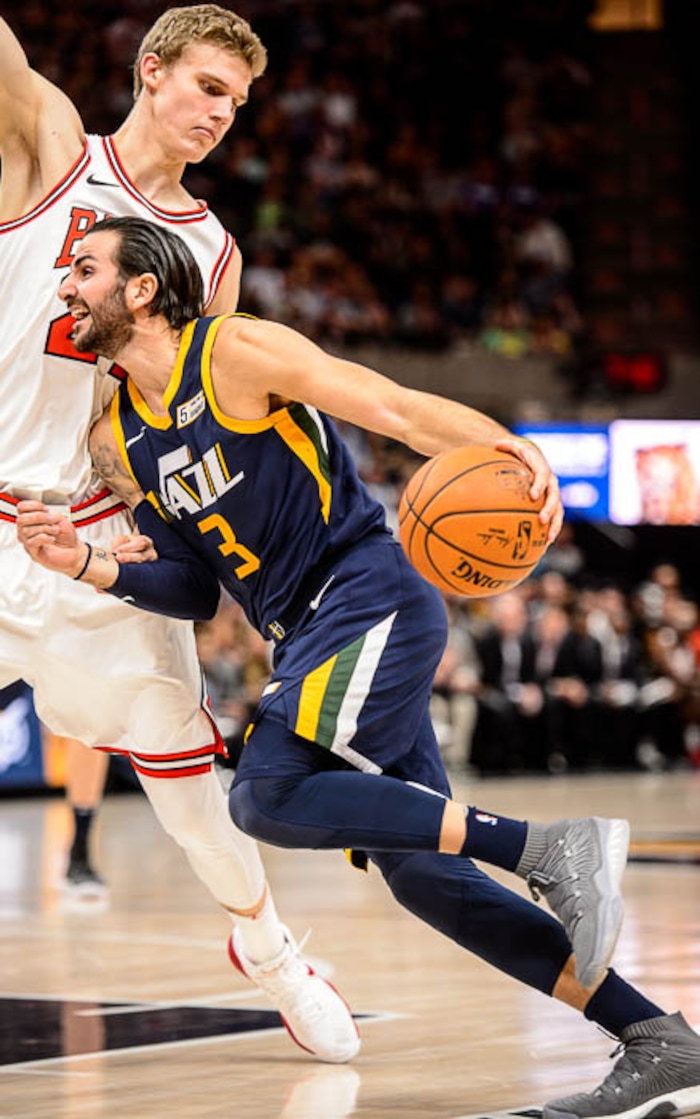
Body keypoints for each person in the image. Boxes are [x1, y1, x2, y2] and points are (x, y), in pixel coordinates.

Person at [18, 215, 700, 1119]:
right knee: (429, 880)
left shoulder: (235, 351)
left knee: (264, 794)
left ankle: (547, 847)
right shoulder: (121, 432)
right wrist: (90, 564)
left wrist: (504, 445)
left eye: (85, 268)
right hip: (306, 635)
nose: (67, 284)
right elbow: (192, 588)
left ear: (141, 289)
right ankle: (661, 1040)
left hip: (366, 593)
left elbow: (393, 407)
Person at [0, 6, 360, 1063]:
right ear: (151, 72)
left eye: (237, 101)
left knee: (188, 787)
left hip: (79, 524)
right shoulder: (53, 145)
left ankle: (271, 949)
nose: (220, 114)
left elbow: (178, 410)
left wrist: (166, 531)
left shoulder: (210, 250)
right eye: (206, 86)